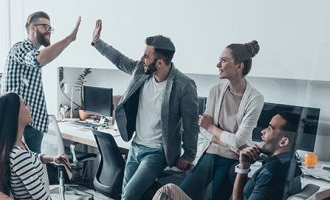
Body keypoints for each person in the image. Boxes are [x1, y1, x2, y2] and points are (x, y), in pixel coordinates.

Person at [90, 19, 199, 200]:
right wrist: (97, 42)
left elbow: (190, 124)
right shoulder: (142, 72)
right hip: (136, 146)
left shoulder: (184, 85)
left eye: (147, 56)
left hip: (157, 152)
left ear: (160, 63)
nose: (142, 58)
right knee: (127, 194)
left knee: (129, 195)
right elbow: (119, 60)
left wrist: (188, 155)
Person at [180, 41, 264, 200]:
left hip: (232, 160)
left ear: (239, 66)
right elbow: (202, 129)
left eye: (224, 60)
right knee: (180, 195)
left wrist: (211, 127)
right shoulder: (216, 90)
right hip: (210, 153)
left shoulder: (255, 98)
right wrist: (226, 141)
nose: (218, 64)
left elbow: (238, 140)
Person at [153, 112, 303, 200]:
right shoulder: (289, 166)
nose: (262, 131)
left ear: (283, 141)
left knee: (167, 190)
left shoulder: (272, 173)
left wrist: (243, 168)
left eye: (269, 129)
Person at [0, 11, 81, 153]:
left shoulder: (31, 50)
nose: (49, 31)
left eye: (50, 28)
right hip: (20, 125)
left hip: (32, 124)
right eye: (45, 27)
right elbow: (39, 59)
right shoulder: (21, 48)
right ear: (32, 28)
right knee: (25, 170)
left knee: (32, 167)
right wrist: (69, 39)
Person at [0, 93, 69, 200]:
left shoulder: (16, 146)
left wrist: (51, 158)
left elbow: (30, 157)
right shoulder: (19, 156)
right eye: (25, 104)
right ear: (14, 114)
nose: (29, 108)